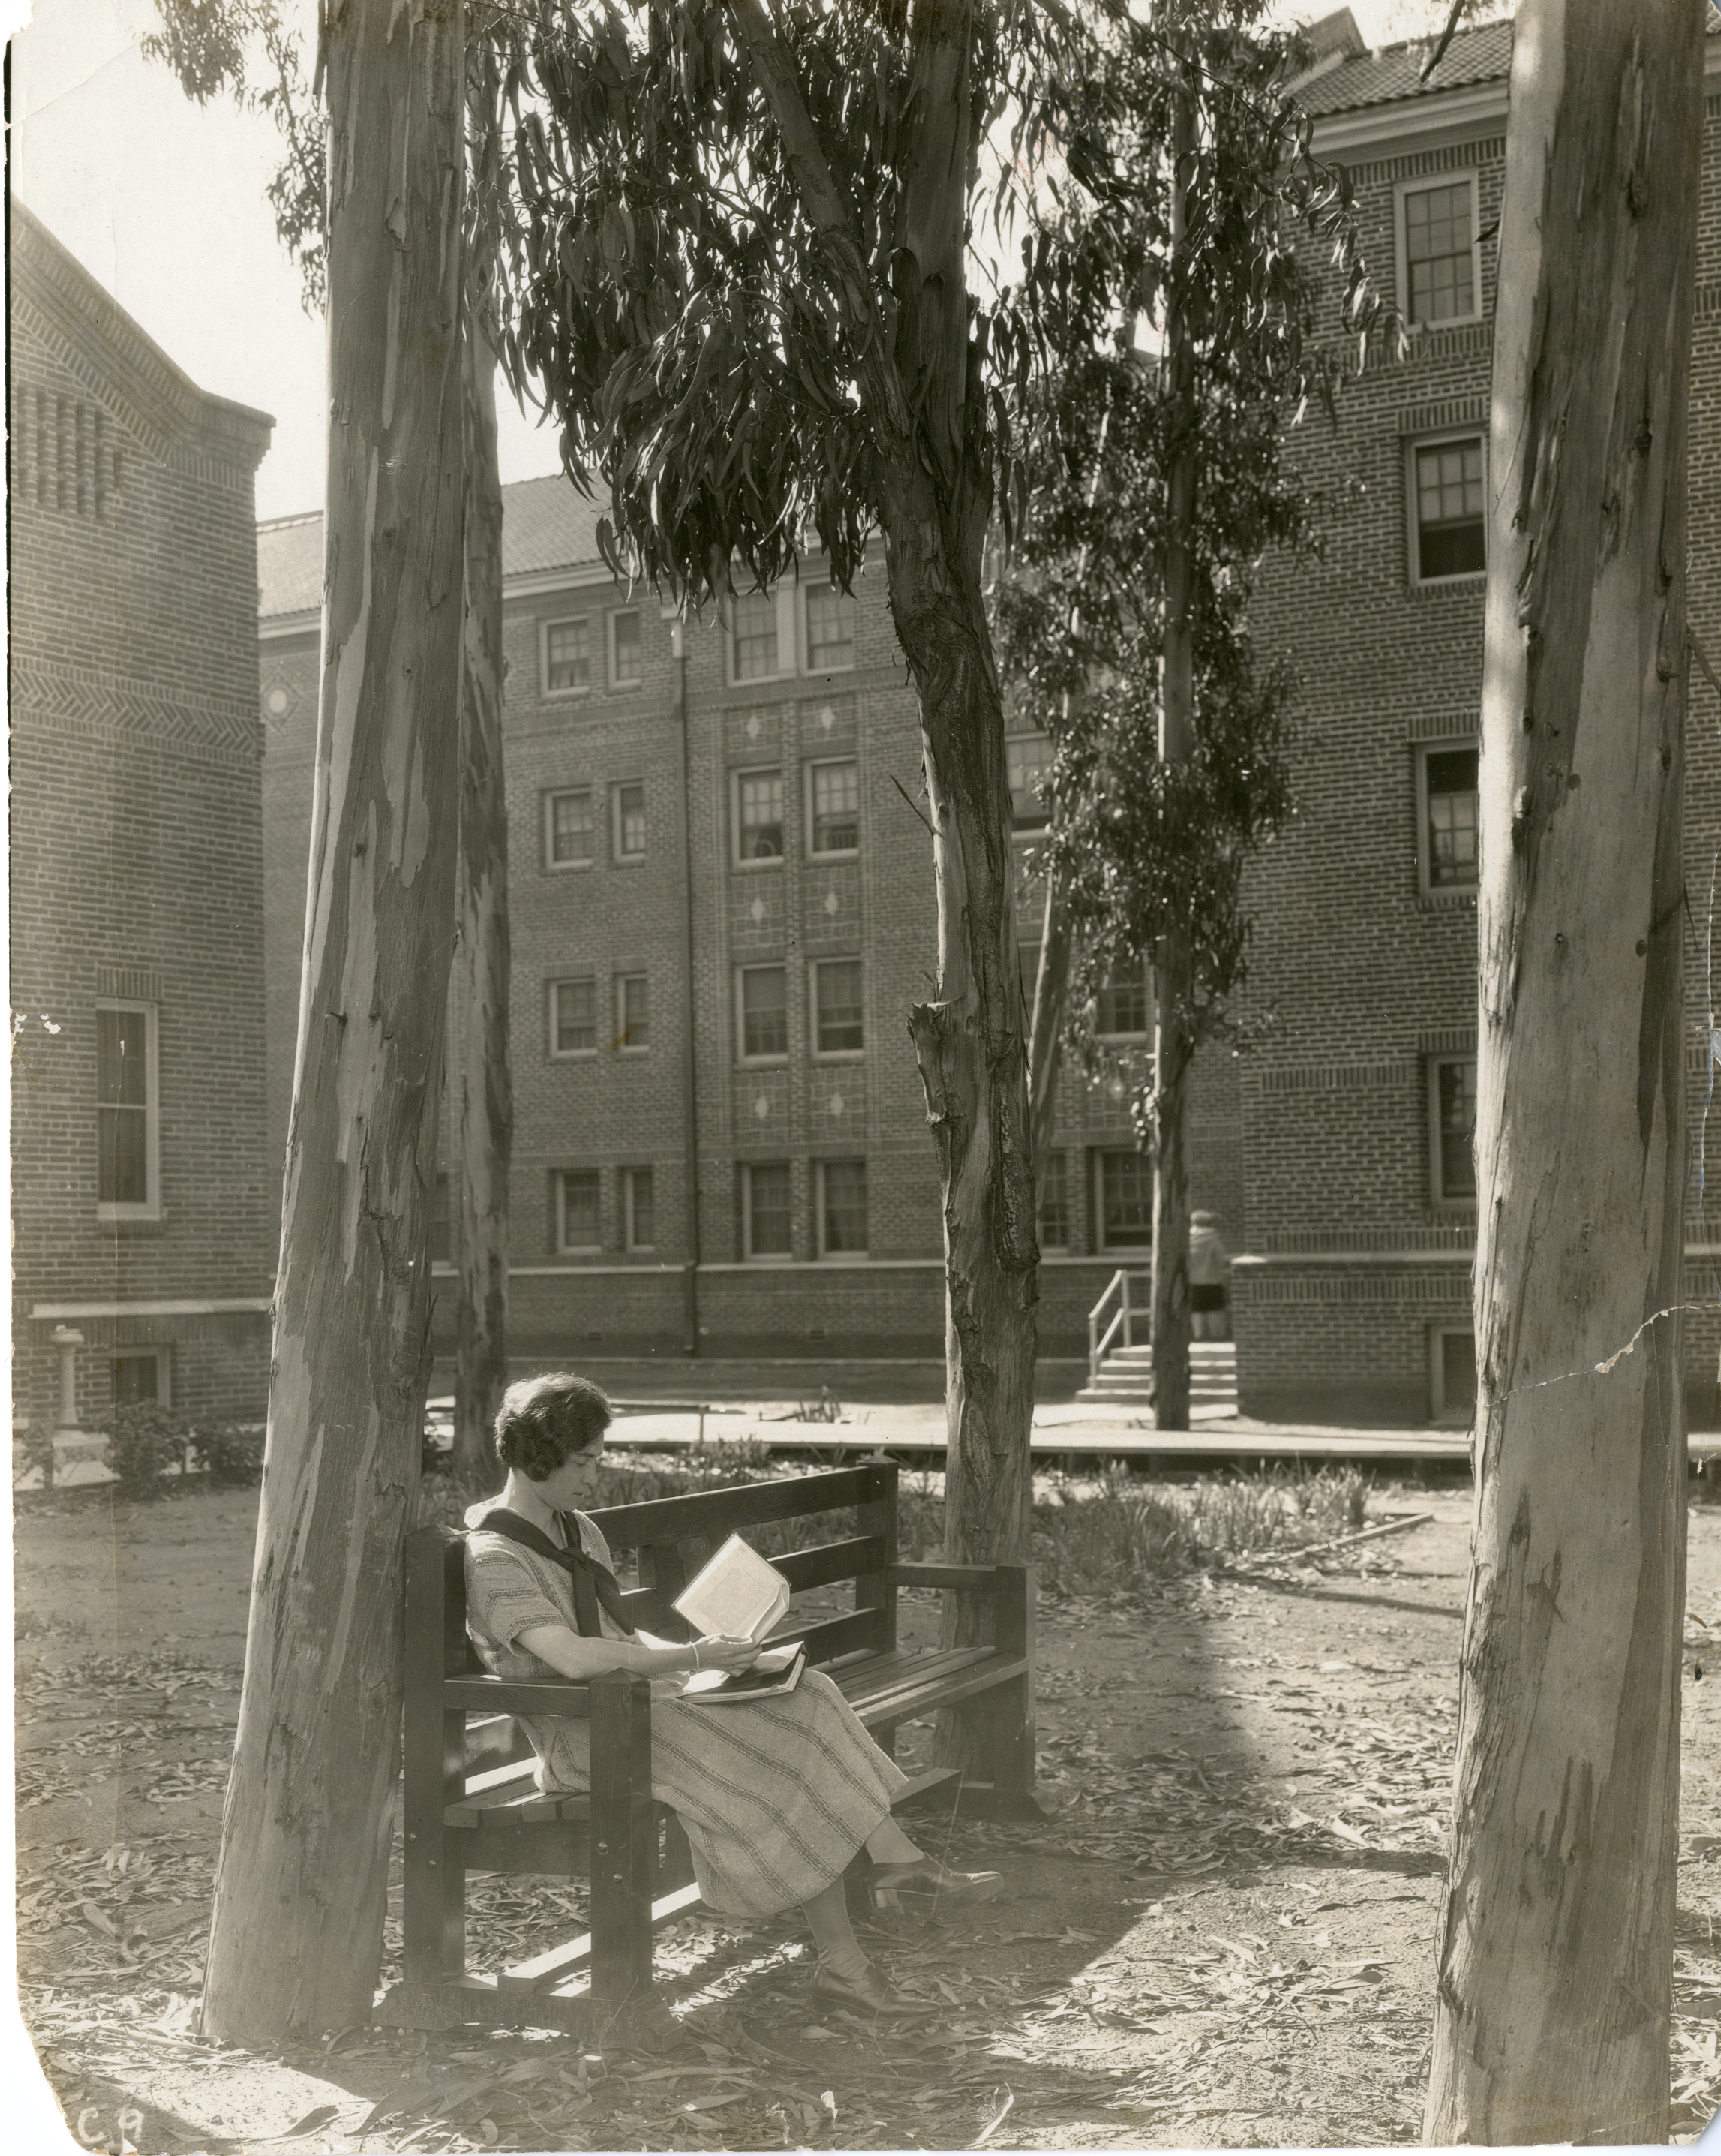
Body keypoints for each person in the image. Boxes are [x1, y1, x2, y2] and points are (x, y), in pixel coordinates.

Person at [463, 1371, 1002, 2022]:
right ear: (536, 1455)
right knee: (777, 1748)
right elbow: (573, 1658)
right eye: (582, 1461)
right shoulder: (495, 1555)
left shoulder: (576, 1530)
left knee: (807, 1693)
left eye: (596, 1458)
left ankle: (893, 1863)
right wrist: (692, 1659)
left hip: (643, 1707)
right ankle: (851, 1959)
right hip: (586, 1737)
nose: (592, 1475)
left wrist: (718, 1659)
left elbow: (618, 1632)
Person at [1188, 1210, 1231, 1340]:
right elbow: (1221, 1259)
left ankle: (1198, 1336)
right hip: (1213, 1281)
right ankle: (1216, 1336)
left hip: (1193, 1282)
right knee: (1215, 1310)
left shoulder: (1188, 1240)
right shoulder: (1214, 1239)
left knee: (1196, 1311)